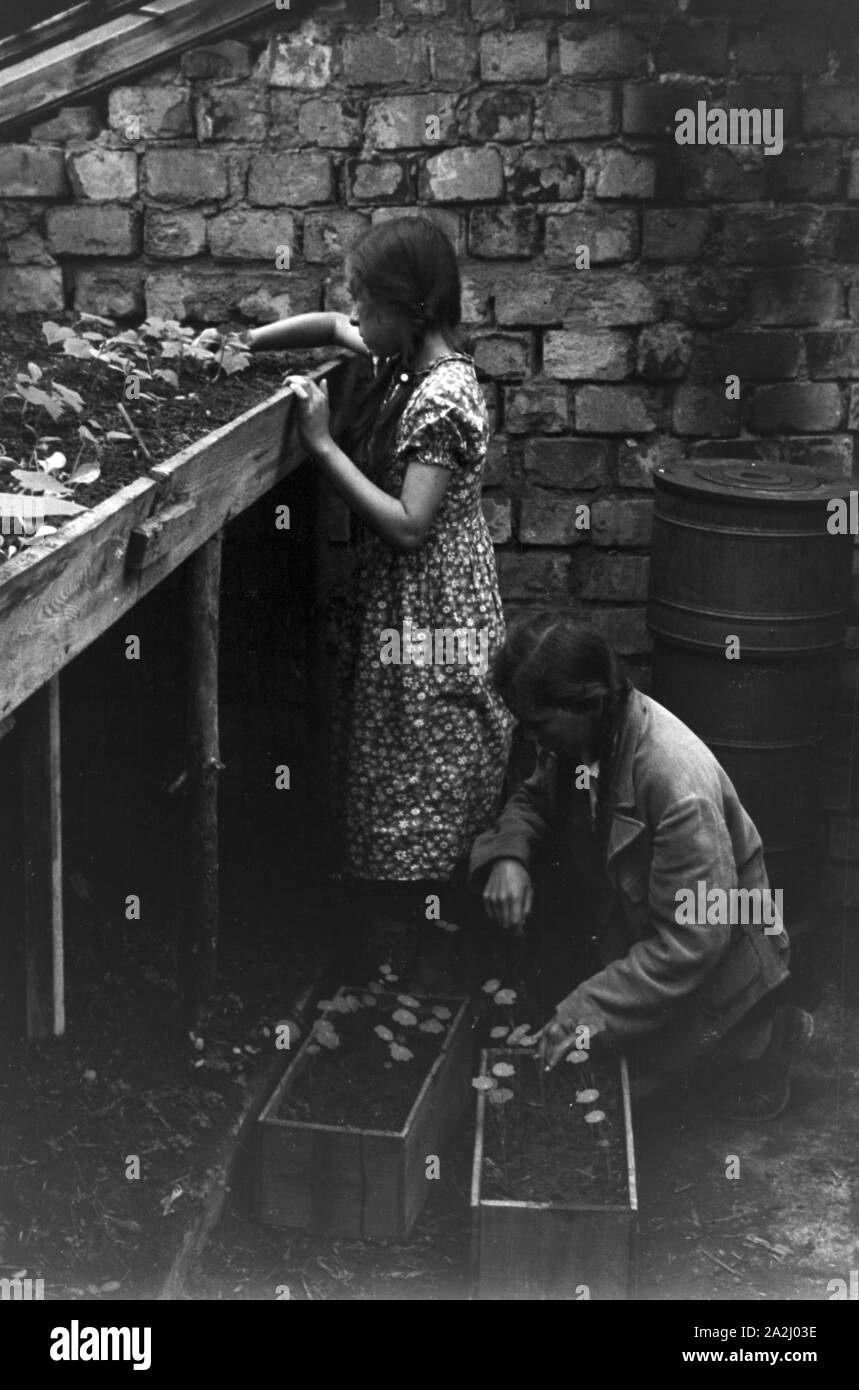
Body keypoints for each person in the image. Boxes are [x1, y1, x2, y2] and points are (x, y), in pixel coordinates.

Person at [200, 217, 512, 978]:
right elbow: (331, 326)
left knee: (428, 758)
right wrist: (239, 346)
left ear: (410, 310)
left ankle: (431, 945)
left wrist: (321, 443)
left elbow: (409, 526)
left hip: (435, 607)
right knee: (396, 755)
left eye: (365, 303)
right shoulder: (404, 350)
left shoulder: (443, 397)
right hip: (409, 600)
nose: (353, 316)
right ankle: (400, 939)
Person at [469, 611, 813, 1120]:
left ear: (588, 702)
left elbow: (691, 943)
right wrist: (508, 857)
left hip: (713, 954)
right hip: (638, 928)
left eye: (538, 725)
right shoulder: (582, 737)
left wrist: (578, 1015)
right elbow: (533, 801)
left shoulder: (674, 780)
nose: (531, 740)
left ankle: (763, 1037)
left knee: (620, 1098)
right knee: (581, 1068)